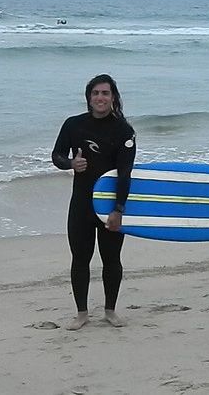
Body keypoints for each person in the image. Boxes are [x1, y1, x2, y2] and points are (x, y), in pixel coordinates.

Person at [52, 74, 136, 330]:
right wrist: (71, 164)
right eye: (96, 93)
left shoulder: (124, 131)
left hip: (110, 207)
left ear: (113, 97)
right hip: (81, 205)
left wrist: (119, 209)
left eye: (105, 93)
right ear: (89, 97)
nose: (100, 98)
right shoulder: (73, 125)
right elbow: (57, 155)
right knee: (80, 258)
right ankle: (81, 314)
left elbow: (125, 173)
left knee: (112, 259)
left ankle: (110, 311)